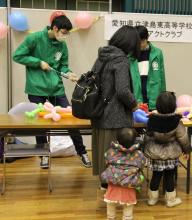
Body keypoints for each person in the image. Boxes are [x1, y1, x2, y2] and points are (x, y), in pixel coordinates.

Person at [12, 15, 91, 168]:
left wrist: (69, 73)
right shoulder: (34, 38)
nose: (65, 35)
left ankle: (82, 152)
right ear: (55, 28)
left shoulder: (62, 45)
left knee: (71, 120)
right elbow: (17, 55)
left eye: (67, 33)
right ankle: (44, 155)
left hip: (56, 88)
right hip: (36, 87)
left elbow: (62, 66)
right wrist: (37, 62)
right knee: (41, 123)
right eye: (63, 32)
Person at [90, 25, 139, 188]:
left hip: (98, 112)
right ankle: (113, 188)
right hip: (115, 117)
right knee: (114, 153)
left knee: (102, 150)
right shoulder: (121, 60)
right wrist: (133, 105)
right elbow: (123, 91)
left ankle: (105, 185)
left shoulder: (102, 56)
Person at [144, 91, 192, 207]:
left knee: (156, 176)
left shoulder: (152, 120)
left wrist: (144, 150)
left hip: (155, 154)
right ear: (174, 106)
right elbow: (183, 138)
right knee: (170, 176)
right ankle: (170, 200)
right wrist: (187, 150)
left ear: (158, 105)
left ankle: (152, 199)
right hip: (171, 153)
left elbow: (147, 137)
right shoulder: (177, 121)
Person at [101, 128, 146, 220]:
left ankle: (110, 218)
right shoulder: (139, 154)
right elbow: (142, 166)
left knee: (110, 203)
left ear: (117, 140)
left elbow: (106, 162)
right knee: (128, 205)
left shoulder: (110, 152)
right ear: (134, 141)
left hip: (113, 183)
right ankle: (127, 218)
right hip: (129, 184)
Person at [129, 25, 166, 111]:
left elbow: (162, 77)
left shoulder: (157, 53)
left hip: (153, 98)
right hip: (137, 98)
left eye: (142, 41)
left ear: (147, 38)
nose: (140, 45)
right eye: (137, 42)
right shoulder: (130, 55)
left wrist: (163, 98)